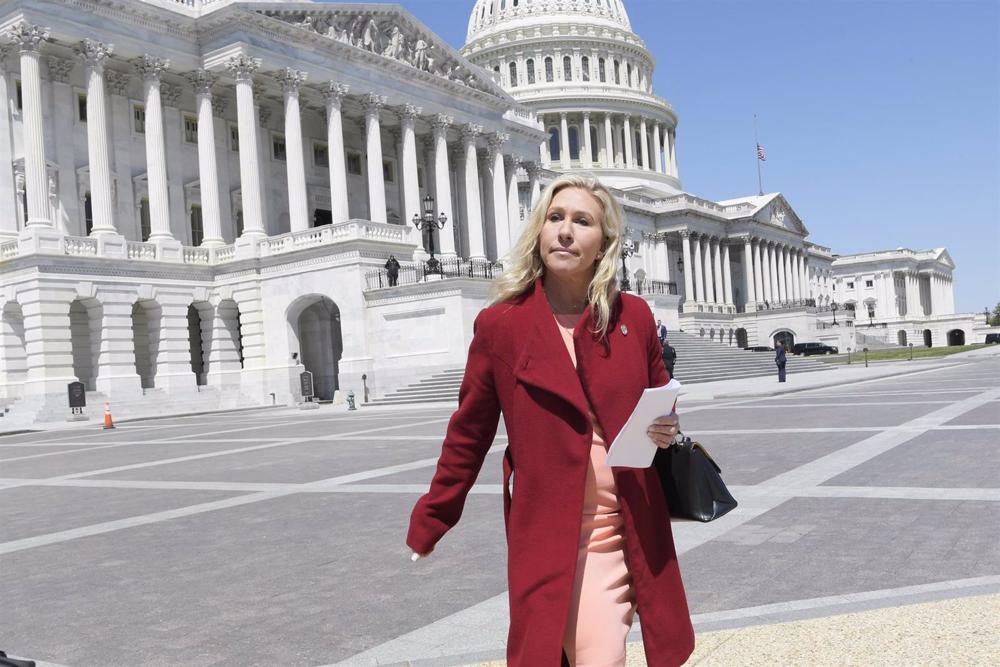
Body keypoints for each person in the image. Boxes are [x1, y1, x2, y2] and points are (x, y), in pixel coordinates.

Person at [407, 175, 694, 667]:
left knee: (600, 656)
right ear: (538, 232)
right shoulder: (501, 326)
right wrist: (435, 515)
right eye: (555, 218)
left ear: (603, 241)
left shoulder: (636, 317)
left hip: (623, 525)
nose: (565, 231)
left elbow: (661, 399)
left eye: (582, 221)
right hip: (549, 531)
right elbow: (468, 433)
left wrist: (665, 427)